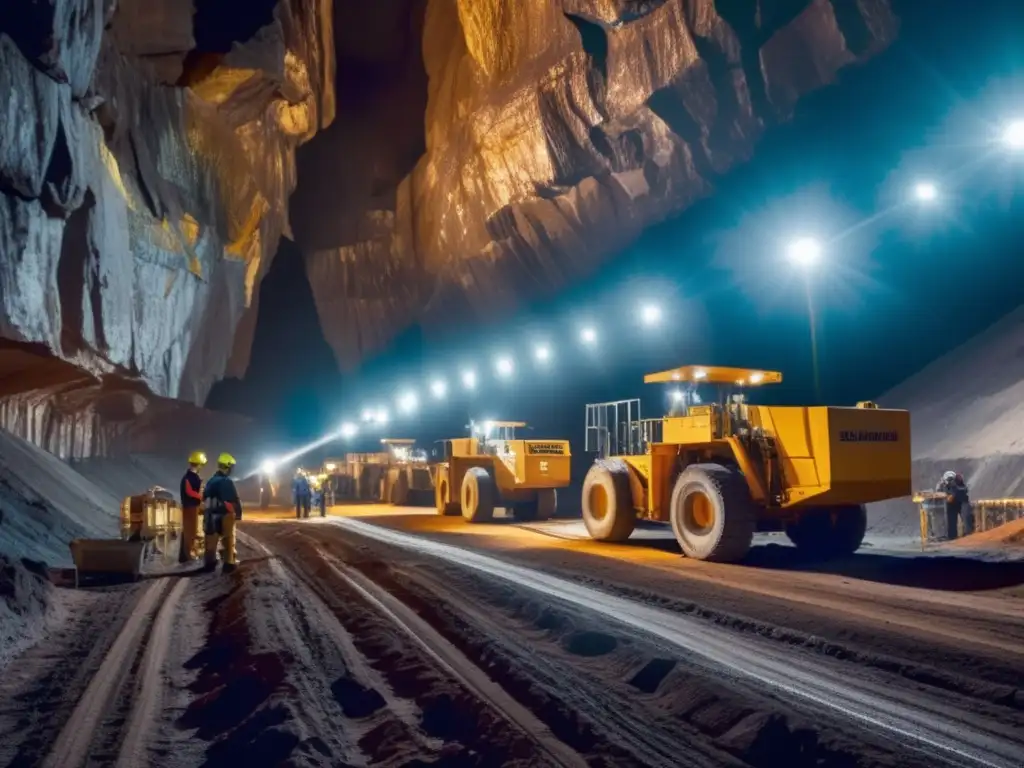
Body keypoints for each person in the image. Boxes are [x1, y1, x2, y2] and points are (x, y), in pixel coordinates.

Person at [202, 453, 242, 573]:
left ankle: (209, 563)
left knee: (210, 540)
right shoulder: (226, 482)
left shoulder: (210, 481)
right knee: (228, 539)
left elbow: (204, 498)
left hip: (210, 515)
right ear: (228, 466)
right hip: (224, 514)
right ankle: (229, 563)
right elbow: (229, 502)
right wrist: (236, 513)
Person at [179, 451, 206, 563]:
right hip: (190, 507)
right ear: (199, 464)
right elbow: (189, 491)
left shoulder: (192, 476)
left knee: (192, 531)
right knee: (190, 532)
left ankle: (189, 553)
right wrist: (200, 496)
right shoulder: (189, 477)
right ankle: (187, 556)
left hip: (192, 507)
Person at [936, 470, 970, 540]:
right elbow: (938, 491)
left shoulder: (959, 481)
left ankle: (968, 535)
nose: (950, 482)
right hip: (951, 504)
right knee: (951, 521)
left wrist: (953, 494)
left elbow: (964, 490)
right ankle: (952, 537)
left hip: (961, 501)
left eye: (951, 480)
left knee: (966, 518)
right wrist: (947, 496)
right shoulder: (942, 483)